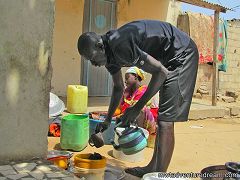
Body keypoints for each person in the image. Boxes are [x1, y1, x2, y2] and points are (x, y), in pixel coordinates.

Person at [77, 20, 199, 177]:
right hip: (167, 58)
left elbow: (160, 72)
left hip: (182, 53)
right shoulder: (108, 55)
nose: (93, 64)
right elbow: (118, 87)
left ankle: (158, 175)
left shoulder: (120, 45)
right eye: (89, 61)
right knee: (163, 118)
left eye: (92, 58)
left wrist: (136, 108)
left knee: (165, 121)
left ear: (100, 46)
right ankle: (152, 169)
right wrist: (107, 120)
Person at [114, 66, 158, 140]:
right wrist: (123, 96)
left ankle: (138, 136)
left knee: (141, 109)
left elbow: (133, 110)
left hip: (145, 123)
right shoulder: (128, 92)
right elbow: (120, 109)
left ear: (135, 76)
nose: (125, 81)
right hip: (130, 119)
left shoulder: (143, 90)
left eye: (127, 78)